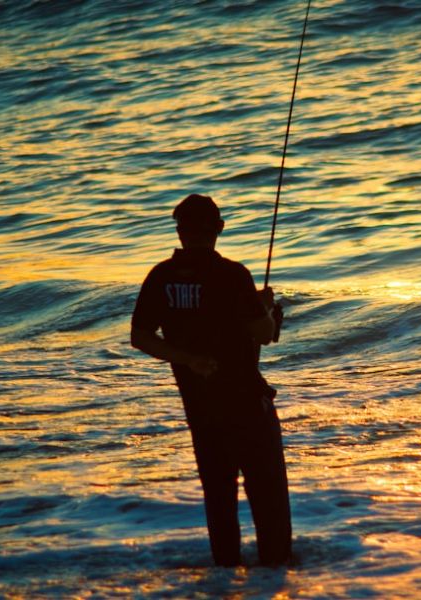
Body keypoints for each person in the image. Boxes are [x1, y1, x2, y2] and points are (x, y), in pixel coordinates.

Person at [130, 194, 292, 567]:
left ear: (179, 231)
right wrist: (265, 308)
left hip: (199, 406)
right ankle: (274, 574)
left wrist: (189, 359)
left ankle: (226, 574)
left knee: (219, 498)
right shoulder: (232, 275)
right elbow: (264, 334)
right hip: (246, 404)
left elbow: (140, 337)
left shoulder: (161, 277)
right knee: (267, 496)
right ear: (218, 228)